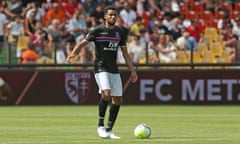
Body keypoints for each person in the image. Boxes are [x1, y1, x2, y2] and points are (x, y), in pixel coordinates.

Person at [66, 6, 138, 139]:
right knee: (106, 93)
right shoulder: (97, 31)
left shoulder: (120, 32)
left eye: (115, 15)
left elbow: (125, 53)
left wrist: (132, 70)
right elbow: (82, 43)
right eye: (110, 15)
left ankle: (109, 130)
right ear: (105, 16)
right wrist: (73, 54)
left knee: (118, 99)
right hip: (100, 67)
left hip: (114, 69)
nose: (113, 17)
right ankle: (100, 126)